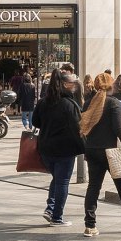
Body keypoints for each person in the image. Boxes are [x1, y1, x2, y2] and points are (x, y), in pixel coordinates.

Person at [79, 72, 121, 238]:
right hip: (112, 152)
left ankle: (90, 226)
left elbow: (84, 128)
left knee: (93, 187)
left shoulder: (88, 103)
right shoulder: (113, 103)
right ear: (111, 86)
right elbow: (119, 129)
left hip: (92, 150)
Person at [32, 70, 84, 226]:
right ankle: (57, 217)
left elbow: (35, 122)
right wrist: (84, 148)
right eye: (74, 84)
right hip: (65, 149)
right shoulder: (69, 105)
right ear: (66, 85)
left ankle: (50, 208)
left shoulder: (43, 102)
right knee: (62, 182)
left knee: (57, 179)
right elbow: (77, 128)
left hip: (46, 148)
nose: (75, 87)